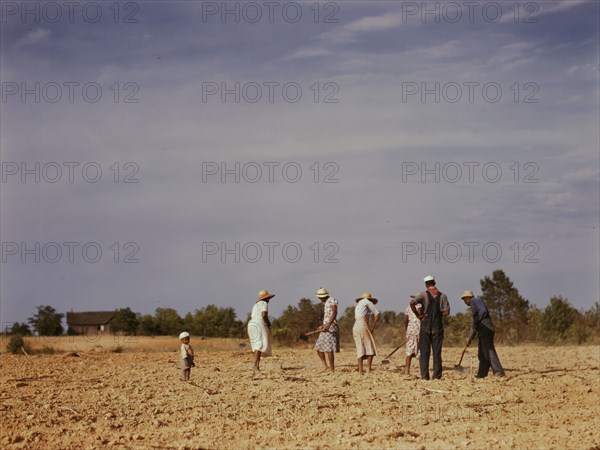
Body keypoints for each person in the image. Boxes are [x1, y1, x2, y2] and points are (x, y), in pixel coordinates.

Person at [410, 275, 450, 380]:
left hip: (425, 326)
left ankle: (424, 376)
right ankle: (436, 376)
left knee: (424, 352)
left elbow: (412, 303)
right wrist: (438, 314)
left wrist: (419, 316)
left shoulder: (422, 294)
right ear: (434, 283)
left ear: (426, 284)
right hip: (438, 326)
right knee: (437, 352)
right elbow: (446, 312)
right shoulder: (443, 296)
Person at [461, 290, 505, 378]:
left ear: (468, 298)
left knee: (489, 351)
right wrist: (469, 338)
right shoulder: (474, 308)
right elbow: (474, 325)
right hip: (482, 331)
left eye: (464, 299)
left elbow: (483, 311)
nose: (464, 301)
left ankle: (498, 371)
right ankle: (482, 373)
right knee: (482, 353)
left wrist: (476, 321)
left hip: (486, 329)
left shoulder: (475, 301)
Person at [353, 292, 381, 374]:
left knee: (360, 347)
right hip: (362, 325)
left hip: (356, 326)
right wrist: (373, 328)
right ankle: (368, 369)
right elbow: (377, 314)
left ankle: (360, 370)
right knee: (370, 346)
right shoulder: (367, 302)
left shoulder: (359, 305)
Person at [247, 289, 275, 371]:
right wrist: (269, 323)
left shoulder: (255, 305)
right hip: (259, 323)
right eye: (268, 298)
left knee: (256, 344)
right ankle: (255, 365)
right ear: (266, 298)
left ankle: (257, 366)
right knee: (260, 344)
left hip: (251, 324)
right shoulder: (264, 303)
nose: (269, 300)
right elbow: (264, 315)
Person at [314, 287, 339, 373]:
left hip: (331, 327)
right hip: (326, 326)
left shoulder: (332, 300)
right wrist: (323, 325)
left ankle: (332, 370)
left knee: (329, 349)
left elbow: (335, 313)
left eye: (319, 297)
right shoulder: (326, 303)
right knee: (318, 347)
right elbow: (328, 316)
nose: (319, 299)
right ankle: (326, 367)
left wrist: (328, 325)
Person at [404, 296, 422, 376]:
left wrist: (407, 331)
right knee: (420, 350)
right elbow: (420, 316)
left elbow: (405, 321)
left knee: (409, 350)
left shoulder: (408, 307)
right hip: (418, 329)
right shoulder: (420, 306)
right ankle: (422, 371)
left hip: (410, 329)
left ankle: (407, 371)